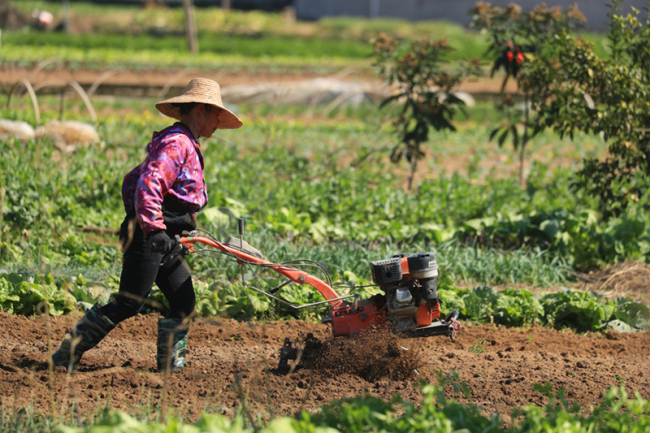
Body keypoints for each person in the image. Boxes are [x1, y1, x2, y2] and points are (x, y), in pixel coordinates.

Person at [51, 78, 243, 373]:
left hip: (165, 237)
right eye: (217, 114)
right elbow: (149, 183)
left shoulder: (187, 142)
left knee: (183, 301)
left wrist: (176, 231)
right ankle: (66, 355)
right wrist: (153, 229)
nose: (219, 122)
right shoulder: (177, 143)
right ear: (201, 111)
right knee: (129, 302)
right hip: (148, 235)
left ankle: (171, 371)